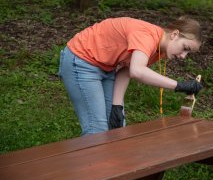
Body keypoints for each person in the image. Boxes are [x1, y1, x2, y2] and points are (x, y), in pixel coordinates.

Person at [58, 16, 203, 136]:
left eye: (188, 53)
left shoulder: (160, 50)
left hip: (107, 67)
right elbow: (137, 71)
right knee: (97, 131)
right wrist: (179, 85)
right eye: (185, 48)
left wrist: (116, 106)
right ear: (175, 34)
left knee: (118, 127)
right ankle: (90, 170)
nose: (184, 56)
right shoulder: (147, 36)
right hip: (82, 61)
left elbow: (126, 71)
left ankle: (110, 168)